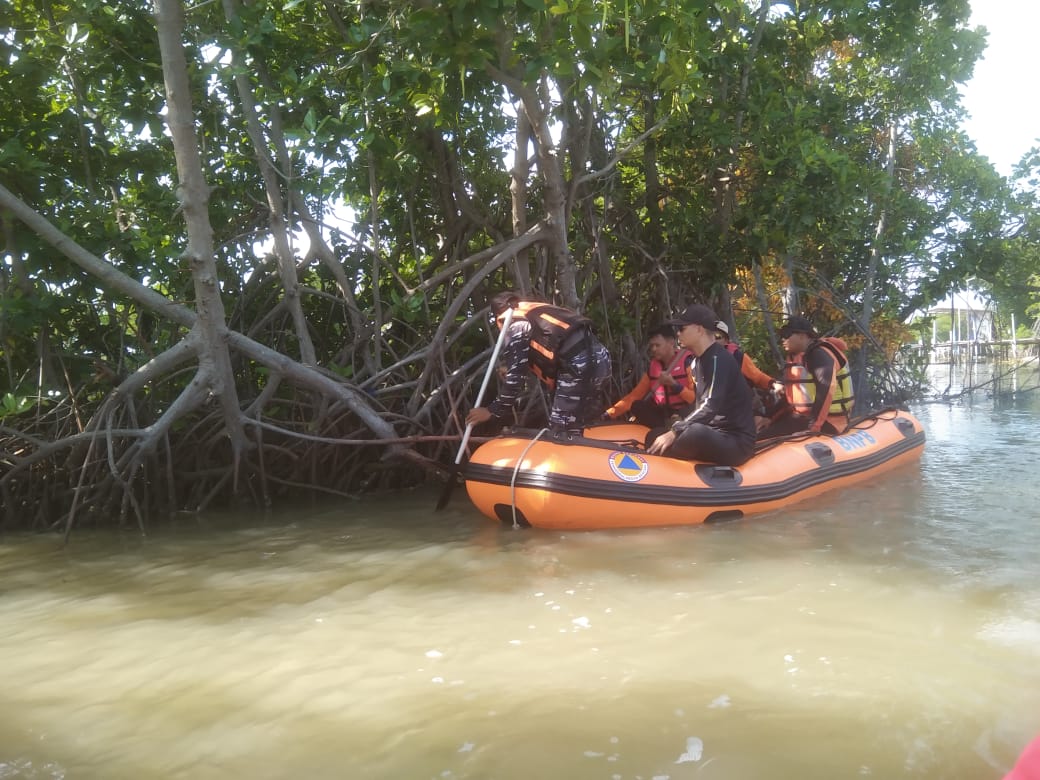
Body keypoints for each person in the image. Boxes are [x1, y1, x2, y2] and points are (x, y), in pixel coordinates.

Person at [465, 290, 611, 437]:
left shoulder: (515, 324)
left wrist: (492, 411)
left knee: (561, 432)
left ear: (498, 315)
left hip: (578, 367)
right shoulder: (535, 312)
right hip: (601, 361)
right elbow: (544, 352)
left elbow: (516, 377)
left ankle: (567, 443)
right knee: (574, 425)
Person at [646, 304, 757, 466]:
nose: (678, 333)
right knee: (654, 435)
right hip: (712, 433)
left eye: (682, 328)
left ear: (699, 329)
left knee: (694, 433)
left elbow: (710, 405)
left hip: (736, 441)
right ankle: (672, 457)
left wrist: (675, 431)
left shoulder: (718, 359)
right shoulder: (697, 362)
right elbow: (698, 404)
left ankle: (668, 456)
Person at [756, 315, 855, 438]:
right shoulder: (801, 357)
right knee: (759, 437)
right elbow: (793, 398)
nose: (783, 339)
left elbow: (826, 389)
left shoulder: (818, 355)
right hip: (804, 417)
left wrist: (814, 427)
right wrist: (769, 417)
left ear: (803, 336)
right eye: (782, 335)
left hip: (830, 422)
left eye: (787, 334)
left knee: (761, 440)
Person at [603, 325, 695, 428]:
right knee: (637, 405)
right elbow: (634, 396)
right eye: (651, 346)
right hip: (662, 416)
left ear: (671, 342)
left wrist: (674, 384)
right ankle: (663, 429)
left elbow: (694, 399)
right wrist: (608, 414)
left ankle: (675, 428)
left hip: (685, 415)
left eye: (657, 345)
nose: (654, 349)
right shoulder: (653, 368)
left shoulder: (688, 363)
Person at [714, 321, 775, 392]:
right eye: (709, 336)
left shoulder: (737, 357)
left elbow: (757, 377)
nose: (713, 340)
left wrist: (773, 384)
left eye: (717, 336)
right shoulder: (703, 360)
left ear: (726, 340)